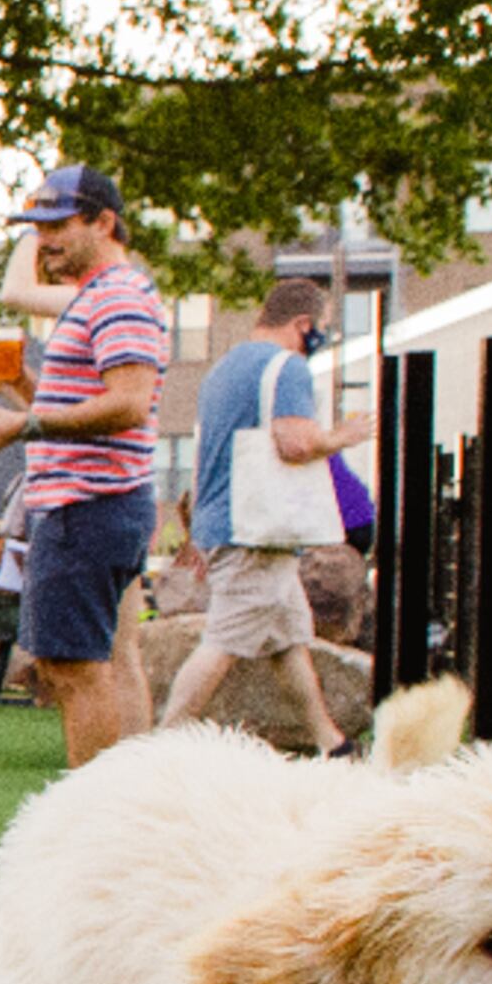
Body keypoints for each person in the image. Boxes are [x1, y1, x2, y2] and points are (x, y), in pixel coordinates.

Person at [0, 163, 170, 767]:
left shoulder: (117, 298)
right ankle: (130, 816)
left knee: (73, 669)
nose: (43, 241)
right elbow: (83, 408)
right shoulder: (103, 297)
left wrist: (24, 425)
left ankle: (93, 828)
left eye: (57, 225)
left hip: (86, 509)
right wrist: (21, 384)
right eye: (36, 226)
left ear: (104, 222)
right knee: (115, 658)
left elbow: (128, 403)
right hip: (111, 503)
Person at [158, 278, 377, 751]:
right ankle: (157, 748)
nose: (322, 335)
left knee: (287, 641)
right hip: (256, 533)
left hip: (228, 524)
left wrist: (198, 533)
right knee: (223, 643)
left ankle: (330, 742)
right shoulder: (287, 369)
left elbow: (209, 456)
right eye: (321, 327)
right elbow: (295, 442)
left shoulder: (225, 369)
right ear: (303, 324)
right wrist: (343, 435)